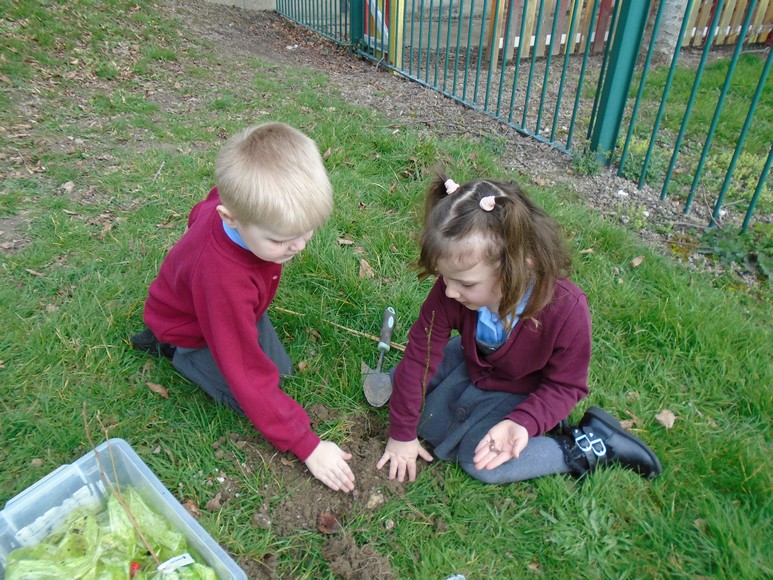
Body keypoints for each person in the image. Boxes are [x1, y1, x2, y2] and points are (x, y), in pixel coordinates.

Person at [376, 173, 662, 484]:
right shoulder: (452, 291)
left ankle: (586, 445)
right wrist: (402, 435)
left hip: (524, 389)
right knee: (399, 388)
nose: (448, 292)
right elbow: (421, 356)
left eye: (465, 284)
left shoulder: (566, 310)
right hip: (474, 363)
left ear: (516, 267)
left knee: (481, 461)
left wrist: (522, 423)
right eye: (445, 278)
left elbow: (566, 386)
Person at [131, 122, 355, 493]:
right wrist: (308, 445)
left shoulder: (232, 205)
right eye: (283, 239)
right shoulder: (223, 281)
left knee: (280, 377)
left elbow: (201, 208)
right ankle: (175, 351)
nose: (299, 246)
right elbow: (246, 372)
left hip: (240, 309)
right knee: (248, 394)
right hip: (195, 331)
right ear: (231, 218)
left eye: (306, 231)